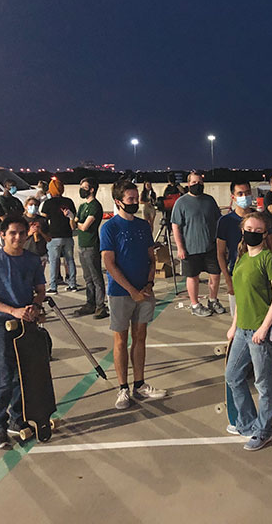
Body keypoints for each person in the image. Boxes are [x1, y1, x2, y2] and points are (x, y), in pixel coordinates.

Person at [0, 215, 47, 449]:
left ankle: (17, 419)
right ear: (2, 235)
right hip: (0, 324)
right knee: (4, 377)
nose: (18, 237)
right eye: (12, 233)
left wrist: (35, 306)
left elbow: (40, 290)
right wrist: (11, 310)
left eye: (21, 233)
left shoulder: (32, 260)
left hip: (26, 322)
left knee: (23, 375)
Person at [100, 179, 167, 410]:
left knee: (140, 337)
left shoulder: (142, 226)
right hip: (121, 292)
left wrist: (149, 283)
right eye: (130, 199)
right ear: (118, 201)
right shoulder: (109, 228)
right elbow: (109, 263)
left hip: (144, 290)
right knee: (120, 339)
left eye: (135, 197)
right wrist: (131, 290)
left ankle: (139, 383)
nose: (135, 202)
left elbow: (151, 257)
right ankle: (122, 388)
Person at [225, 212, 272, 451]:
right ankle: (248, 422)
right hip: (242, 330)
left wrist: (263, 328)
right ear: (243, 230)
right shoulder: (241, 258)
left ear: (264, 234)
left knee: (263, 382)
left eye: (258, 230)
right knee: (233, 376)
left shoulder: (270, 259)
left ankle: (264, 430)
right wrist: (233, 326)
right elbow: (241, 297)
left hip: (260, 331)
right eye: (249, 228)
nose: (253, 232)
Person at [171, 171, 225, 317]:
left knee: (215, 274)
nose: (197, 185)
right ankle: (195, 305)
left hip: (210, 246)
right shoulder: (181, 203)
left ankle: (213, 300)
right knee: (193, 276)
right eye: (194, 183)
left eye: (200, 182)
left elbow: (218, 220)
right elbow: (175, 226)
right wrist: (180, 248)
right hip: (191, 248)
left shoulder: (210, 201)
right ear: (188, 184)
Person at [217, 180, 255, 314]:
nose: (244, 196)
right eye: (240, 193)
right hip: (236, 274)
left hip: (257, 274)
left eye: (247, 193)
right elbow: (220, 253)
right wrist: (228, 280)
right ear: (233, 197)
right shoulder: (225, 221)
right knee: (238, 321)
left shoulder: (259, 218)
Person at [74, 177, 108, 319]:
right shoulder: (82, 207)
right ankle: (90, 302)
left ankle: (100, 306)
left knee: (96, 276)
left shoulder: (95, 206)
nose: (82, 189)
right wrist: (74, 220)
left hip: (91, 245)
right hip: (82, 244)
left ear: (92, 189)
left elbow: (84, 226)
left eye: (85, 187)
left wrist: (75, 221)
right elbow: (75, 224)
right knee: (87, 277)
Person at [40, 178, 78, 293]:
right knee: (70, 260)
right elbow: (73, 217)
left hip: (54, 236)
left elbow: (44, 219)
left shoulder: (48, 203)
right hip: (67, 235)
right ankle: (72, 284)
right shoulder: (69, 202)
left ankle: (53, 286)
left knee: (54, 262)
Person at [22, 196, 50, 269]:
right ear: (25, 206)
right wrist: (29, 233)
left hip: (40, 252)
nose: (33, 207)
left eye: (36, 205)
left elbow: (49, 238)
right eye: (31, 205)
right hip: (26, 252)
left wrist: (40, 231)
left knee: (39, 277)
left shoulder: (42, 220)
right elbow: (18, 238)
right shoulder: (21, 220)